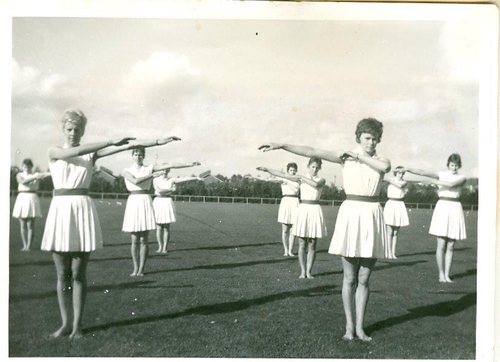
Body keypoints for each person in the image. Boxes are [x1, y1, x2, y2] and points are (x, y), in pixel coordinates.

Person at [40, 108, 178, 339]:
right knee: (62, 272)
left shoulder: (91, 154)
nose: (73, 133)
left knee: (78, 272)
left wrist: (157, 142)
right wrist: (108, 141)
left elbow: (124, 146)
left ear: (83, 131)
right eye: (69, 129)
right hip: (60, 210)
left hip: (82, 208)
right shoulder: (54, 151)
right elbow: (72, 153)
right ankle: (65, 323)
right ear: (63, 129)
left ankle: (77, 326)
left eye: (77, 129)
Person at [259, 117, 391, 342]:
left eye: (375, 139)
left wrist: (358, 156)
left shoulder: (380, 159)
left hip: (372, 214)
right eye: (368, 138)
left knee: (365, 278)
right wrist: (282, 145)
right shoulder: (344, 156)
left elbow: (384, 167)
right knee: (350, 278)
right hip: (352, 213)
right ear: (358, 137)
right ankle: (349, 327)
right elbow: (312, 150)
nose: (372, 142)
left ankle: (360, 328)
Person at [122, 148, 190, 276]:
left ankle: (141, 269)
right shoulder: (127, 170)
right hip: (133, 201)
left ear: (143, 156)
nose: (138, 156)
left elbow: (170, 165)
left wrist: (189, 164)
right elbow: (135, 181)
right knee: (134, 239)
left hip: (145, 201)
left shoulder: (149, 167)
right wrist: (152, 175)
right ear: (132, 156)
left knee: (144, 239)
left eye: (140, 154)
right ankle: (135, 268)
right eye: (136, 154)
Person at [257, 157, 326, 278]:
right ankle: (303, 271)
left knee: (312, 244)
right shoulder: (300, 178)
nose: (314, 169)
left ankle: (309, 272)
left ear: (319, 168)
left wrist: (302, 178)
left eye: (317, 167)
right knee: (302, 243)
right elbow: (283, 174)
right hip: (303, 209)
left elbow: (315, 184)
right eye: (312, 167)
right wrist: (267, 169)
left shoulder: (321, 179)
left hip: (315, 210)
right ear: (308, 166)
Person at [406, 153, 467, 283]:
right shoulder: (441, 174)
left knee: (451, 245)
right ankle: (441, 274)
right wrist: (407, 169)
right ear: (448, 164)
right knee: (441, 244)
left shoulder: (462, 177)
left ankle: (447, 275)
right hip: (443, 207)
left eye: (456, 165)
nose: (454, 167)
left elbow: (451, 185)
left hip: (455, 208)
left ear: (459, 166)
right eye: (452, 165)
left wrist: (432, 181)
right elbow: (422, 172)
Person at [246, 162, 300, 256]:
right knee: (285, 229)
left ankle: (290, 251)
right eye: (291, 170)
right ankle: (286, 250)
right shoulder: (283, 180)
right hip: (286, 202)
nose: (292, 172)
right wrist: (255, 177)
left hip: (295, 202)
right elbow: (268, 179)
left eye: (294, 170)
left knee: (293, 230)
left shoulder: (299, 180)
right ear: (287, 171)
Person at [153, 164, 202, 254]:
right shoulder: (155, 180)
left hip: (167, 202)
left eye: (166, 169)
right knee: (158, 227)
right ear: (160, 170)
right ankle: (159, 247)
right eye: (163, 169)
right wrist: (171, 189)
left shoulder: (172, 180)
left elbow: (184, 179)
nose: (164, 171)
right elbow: (159, 190)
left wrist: (195, 178)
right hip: (158, 202)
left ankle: (164, 248)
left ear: (169, 171)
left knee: (166, 228)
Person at [12, 158, 51, 251]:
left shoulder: (36, 175)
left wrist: (52, 172)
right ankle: (24, 245)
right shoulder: (19, 174)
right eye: (25, 166)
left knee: (30, 224)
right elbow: (22, 182)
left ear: (31, 167)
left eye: (29, 167)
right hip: (22, 198)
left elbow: (46, 174)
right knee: (22, 224)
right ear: (22, 167)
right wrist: (35, 176)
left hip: (32, 198)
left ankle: (29, 246)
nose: (27, 168)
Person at [383, 166, 409, 259]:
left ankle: (393, 253)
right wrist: (388, 180)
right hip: (391, 204)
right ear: (395, 173)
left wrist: (389, 180)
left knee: (395, 232)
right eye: (399, 173)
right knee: (389, 231)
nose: (400, 175)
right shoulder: (391, 179)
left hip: (399, 205)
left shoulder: (404, 182)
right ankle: (388, 252)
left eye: (402, 173)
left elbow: (400, 185)